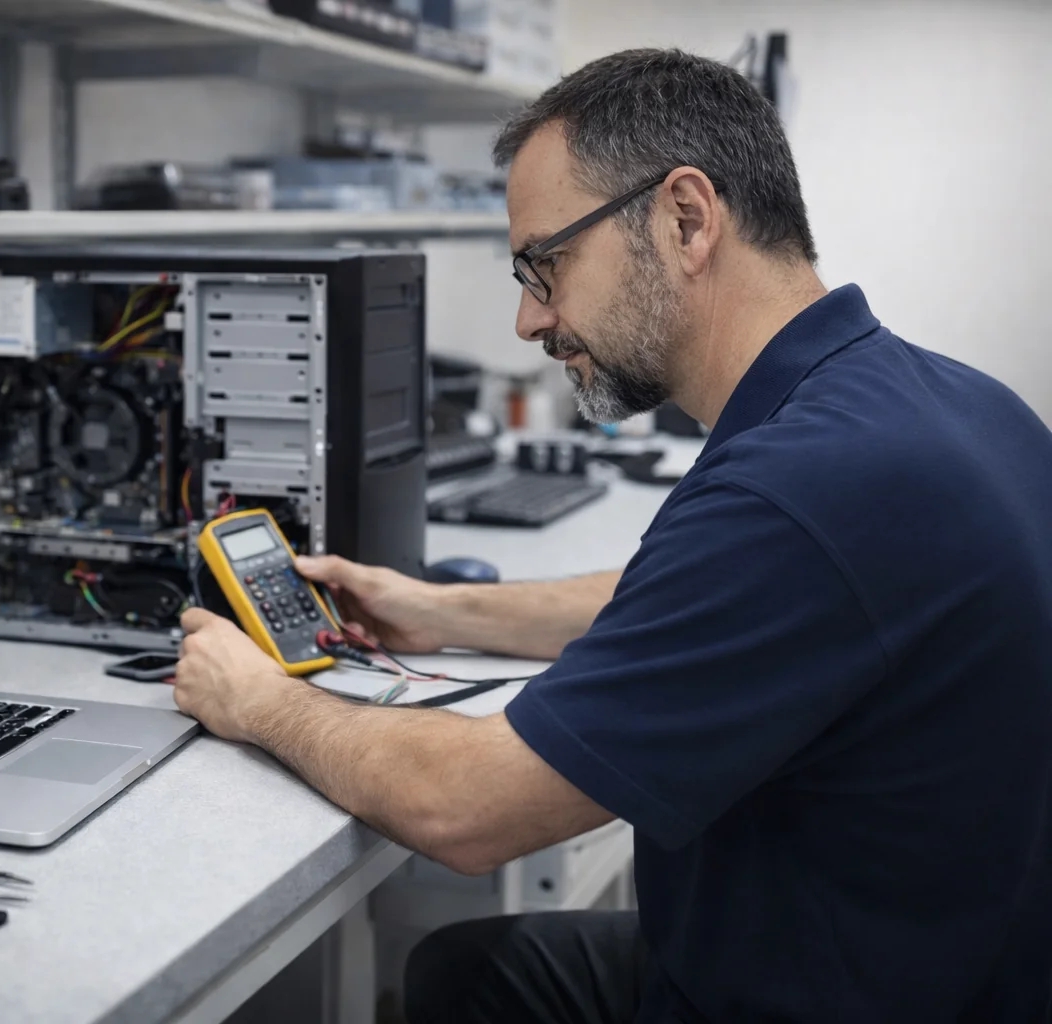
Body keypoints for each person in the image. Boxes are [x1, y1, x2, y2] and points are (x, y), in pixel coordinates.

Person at [173, 47, 1052, 1023]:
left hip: (818, 995)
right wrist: (441, 610)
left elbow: (463, 810)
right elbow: (709, 604)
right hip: (943, 959)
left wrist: (260, 701)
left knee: (468, 973)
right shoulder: (949, 404)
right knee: (468, 970)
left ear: (686, 219)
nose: (528, 319)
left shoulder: (795, 493)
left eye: (545, 264)